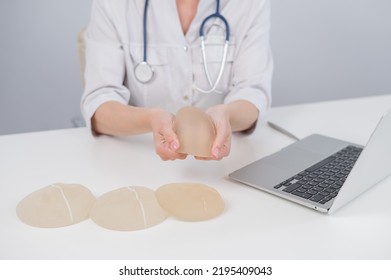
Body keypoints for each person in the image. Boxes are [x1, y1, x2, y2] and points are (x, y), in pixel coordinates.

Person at [81, 0, 273, 161]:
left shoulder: (249, 4)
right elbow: (99, 104)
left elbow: (253, 92)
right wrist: (150, 119)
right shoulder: (114, 4)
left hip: (224, 164)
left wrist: (226, 116)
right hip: (135, 159)